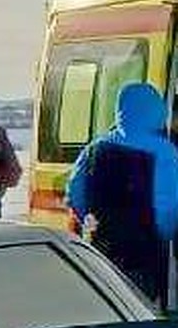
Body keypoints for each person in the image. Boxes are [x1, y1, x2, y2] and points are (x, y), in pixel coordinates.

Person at [65, 81, 178, 309]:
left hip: (103, 249)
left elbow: (74, 194)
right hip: (144, 252)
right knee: (141, 313)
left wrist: (95, 221)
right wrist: (164, 239)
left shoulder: (95, 147)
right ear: (157, 110)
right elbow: (167, 208)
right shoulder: (164, 151)